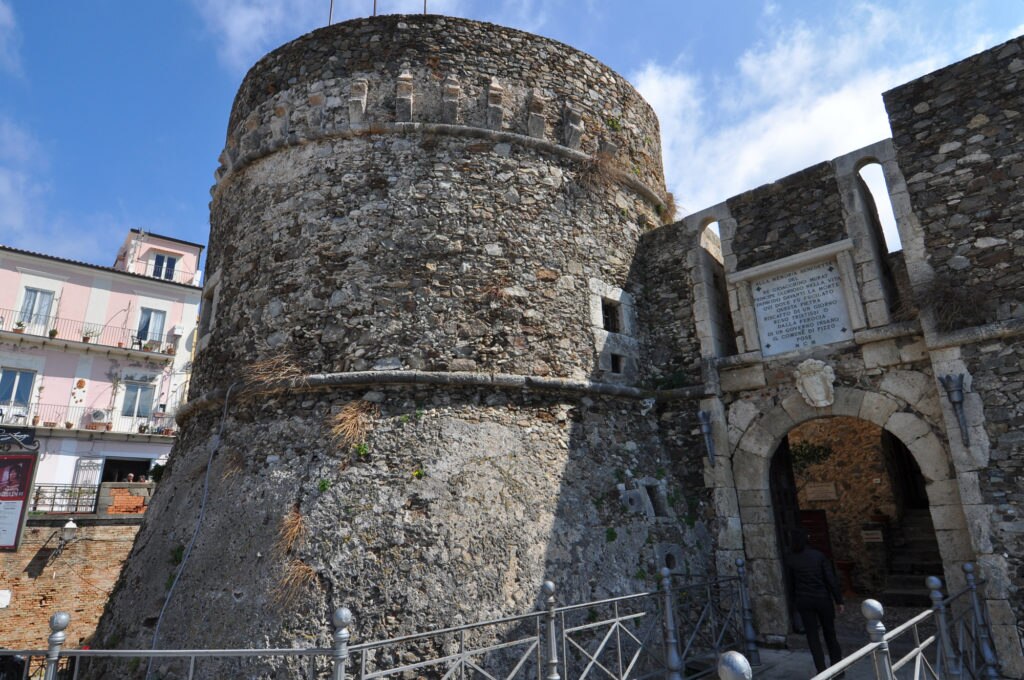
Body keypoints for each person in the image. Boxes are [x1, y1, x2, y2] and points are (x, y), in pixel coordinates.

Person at [786, 528, 844, 672]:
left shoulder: (791, 559)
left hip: (804, 601)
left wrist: (793, 604)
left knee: (812, 637)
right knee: (830, 633)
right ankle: (838, 669)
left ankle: (821, 670)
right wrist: (839, 600)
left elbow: (790, 585)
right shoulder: (819, 556)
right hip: (822, 599)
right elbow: (830, 580)